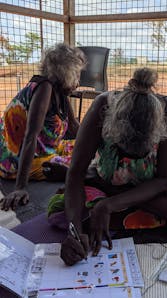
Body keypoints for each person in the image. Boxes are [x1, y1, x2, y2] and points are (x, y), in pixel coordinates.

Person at [47, 67, 167, 266]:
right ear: (111, 129)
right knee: (61, 214)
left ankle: (110, 194)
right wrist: (75, 232)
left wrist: (109, 203)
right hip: (112, 176)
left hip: (153, 185)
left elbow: (166, 179)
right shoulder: (102, 107)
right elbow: (75, 173)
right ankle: (127, 204)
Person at [0, 43, 86, 211]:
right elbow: (30, 137)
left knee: (87, 152)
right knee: (76, 168)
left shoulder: (59, 91)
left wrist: (99, 141)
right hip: (17, 161)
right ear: (65, 72)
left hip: (44, 151)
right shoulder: (44, 88)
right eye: (77, 74)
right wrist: (20, 188)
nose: (79, 80)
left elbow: (75, 128)